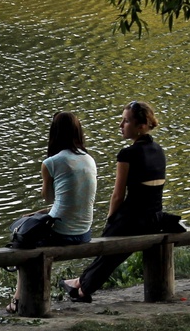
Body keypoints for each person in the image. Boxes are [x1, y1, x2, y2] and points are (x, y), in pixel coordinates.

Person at [62, 100, 165, 303]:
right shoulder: (159, 150)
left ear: (141, 126)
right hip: (156, 218)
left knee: (110, 245)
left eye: (126, 121)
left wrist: (110, 219)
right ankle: (80, 284)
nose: (120, 125)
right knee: (113, 254)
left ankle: (81, 285)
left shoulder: (127, 154)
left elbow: (118, 195)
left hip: (134, 218)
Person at [7, 112, 97, 313]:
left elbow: (48, 197)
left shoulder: (51, 162)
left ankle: (18, 298)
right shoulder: (89, 159)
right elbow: (69, 199)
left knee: (24, 240)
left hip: (63, 233)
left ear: (54, 134)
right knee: (32, 221)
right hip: (85, 232)